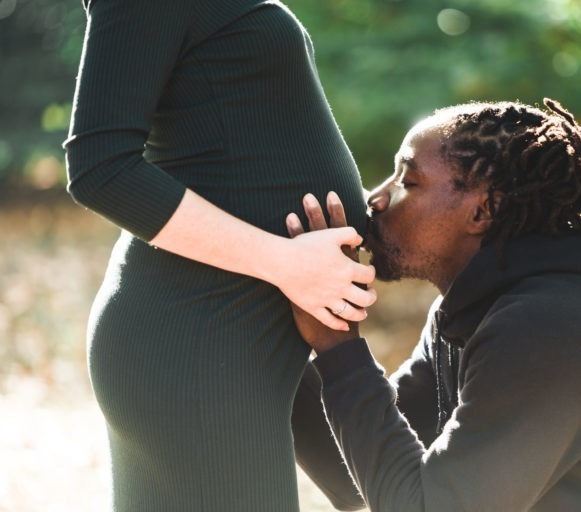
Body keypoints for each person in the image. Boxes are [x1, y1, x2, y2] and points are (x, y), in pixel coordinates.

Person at [287, 99, 581, 511]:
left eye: (408, 182)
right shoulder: (477, 313)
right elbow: (346, 470)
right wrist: (282, 299)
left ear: (484, 210)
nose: (376, 198)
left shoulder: (554, 325)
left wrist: (338, 346)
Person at [62, 0, 376, 510]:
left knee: (376, 481)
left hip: (266, 326)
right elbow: (100, 168)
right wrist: (285, 262)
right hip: (201, 331)